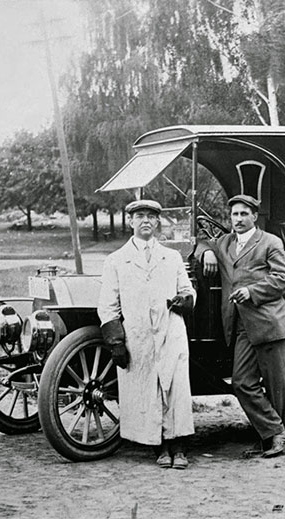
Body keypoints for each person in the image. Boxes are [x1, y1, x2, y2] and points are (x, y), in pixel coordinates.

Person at [97, 199, 196, 469]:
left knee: (175, 387)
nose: (146, 222)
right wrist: (116, 341)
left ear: (158, 222)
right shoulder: (116, 260)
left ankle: (180, 447)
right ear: (130, 221)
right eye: (140, 216)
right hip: (138, 334)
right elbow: (107, 305)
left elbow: (188, 290)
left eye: (151, 217)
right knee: (149, 389)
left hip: (171, 329)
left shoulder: (171, 256)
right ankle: (160, 448)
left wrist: (184, 299)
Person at [195, 194, 285, 458]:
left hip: (269, 321)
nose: (237, 220)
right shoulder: (225, 242)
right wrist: (206, 251)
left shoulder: (270, 242)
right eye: (233, 215)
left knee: (276, 386)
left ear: (254, 216)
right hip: (240, 325)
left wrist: (253, 291)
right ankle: (276, 432)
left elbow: (284, 278)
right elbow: (202, 241)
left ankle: (272, 439)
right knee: (241, 382)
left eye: (242, 214)